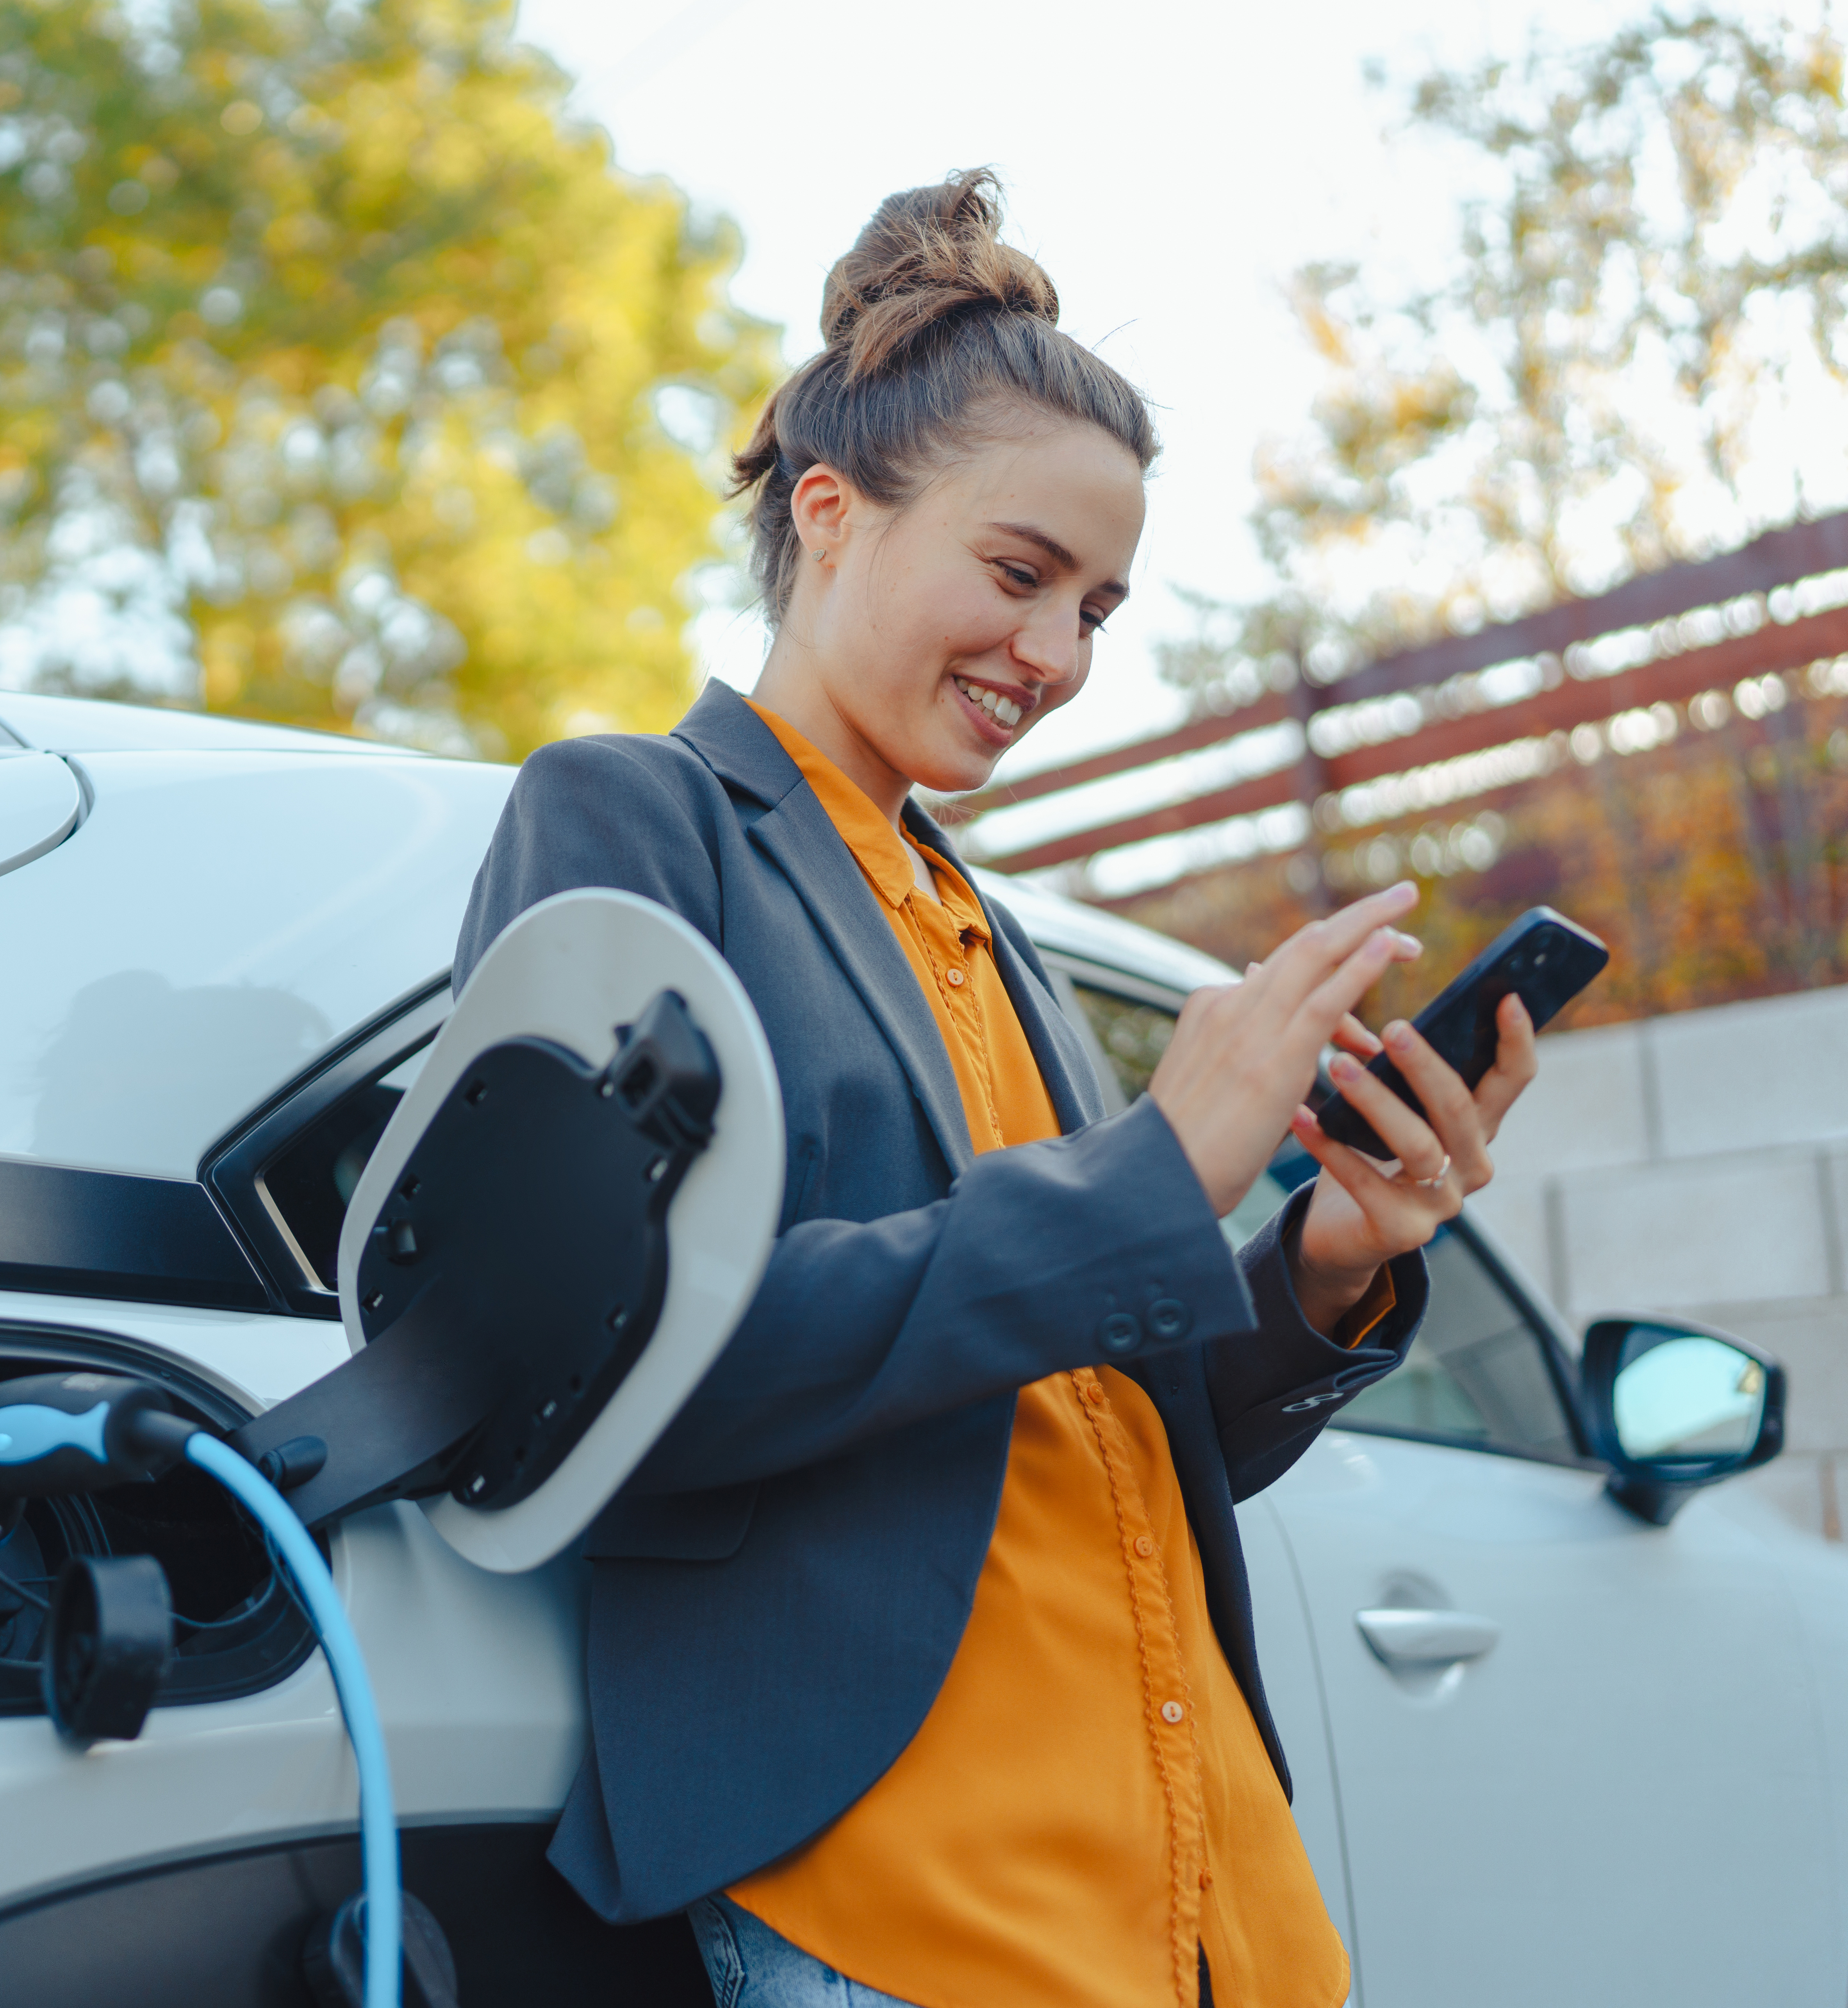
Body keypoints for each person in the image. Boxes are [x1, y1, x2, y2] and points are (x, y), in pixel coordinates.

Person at [453, 171, 1539, 2008]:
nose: (1056, 657)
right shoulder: (631, 818)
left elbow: (1101, 1424)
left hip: (1199, 1895)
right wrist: (1154, 1168)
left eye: (1097, 606)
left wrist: (1323, 1265)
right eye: (1018, 574)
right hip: (910, 1899)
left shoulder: (987, 925)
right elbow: (608, 1364)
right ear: (829, 512)